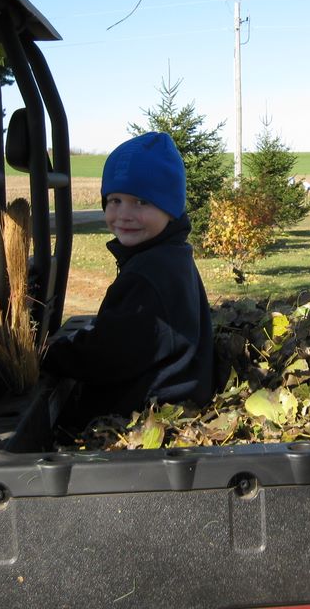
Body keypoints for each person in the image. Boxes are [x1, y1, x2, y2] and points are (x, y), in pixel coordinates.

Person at [43, 131, 214, 430]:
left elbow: (110, 355)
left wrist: (52, 355)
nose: (123, 214)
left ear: (170, 208)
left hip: (149, 416)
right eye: (115, 200)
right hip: (167, 397)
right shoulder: (168, 255)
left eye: (140, 202)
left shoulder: (151, 273)